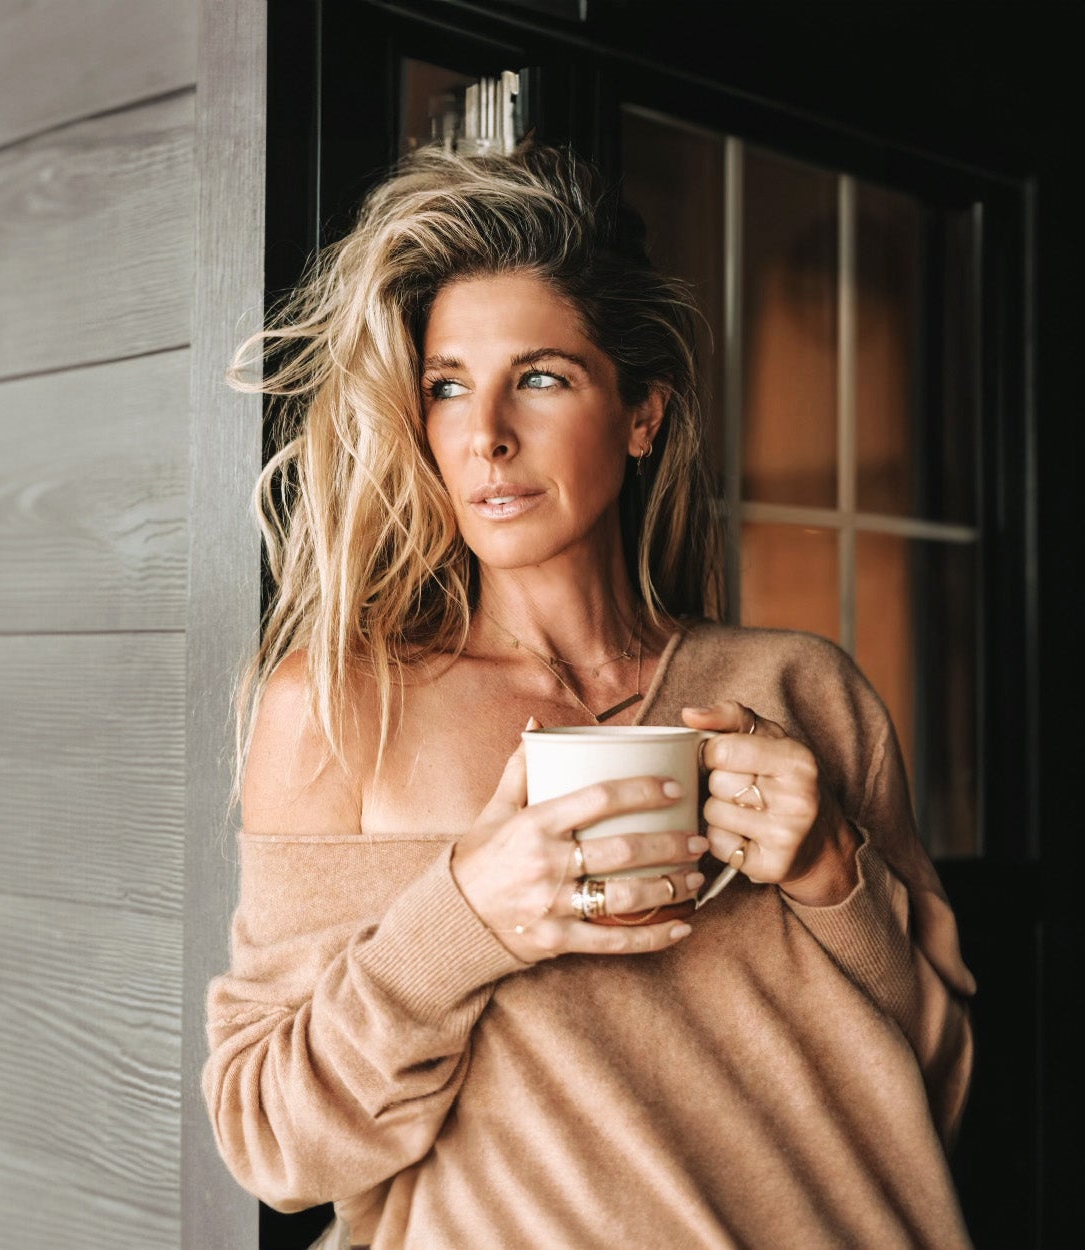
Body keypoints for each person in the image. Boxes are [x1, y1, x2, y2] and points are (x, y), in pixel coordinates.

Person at [201, 141, 976, 1249]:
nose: (486, 435)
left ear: (641, 414)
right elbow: (273, 1145)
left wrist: (828, 871)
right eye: (446, 386)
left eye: (542, 376)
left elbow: (933, 1082)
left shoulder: (799, 689)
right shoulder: (339, 712)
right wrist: (463, 918)